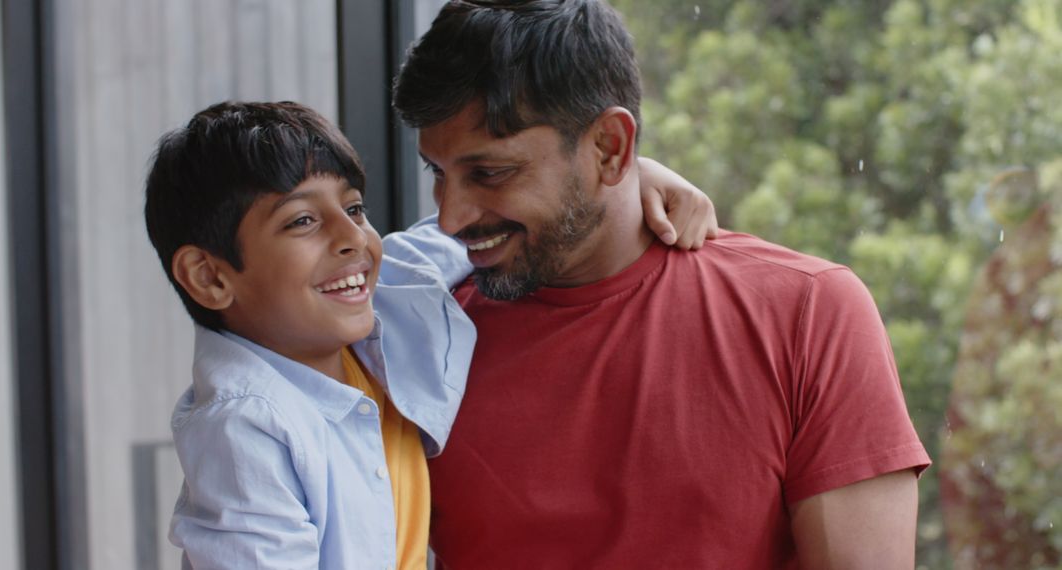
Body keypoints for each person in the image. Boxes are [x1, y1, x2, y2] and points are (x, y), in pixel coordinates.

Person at [391, 1, 932, 568]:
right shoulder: (417, 332)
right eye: (438, 172)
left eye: (491, 173)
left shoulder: (807, 313)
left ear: (610, 148)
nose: (450, 216)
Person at [143, 101, 716, 569]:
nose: (354, 240)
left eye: (354, 207)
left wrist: (623, 177)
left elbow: (450, 240)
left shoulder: (375, 300)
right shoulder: (243, 427)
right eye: (302, 221)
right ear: (211, 277)